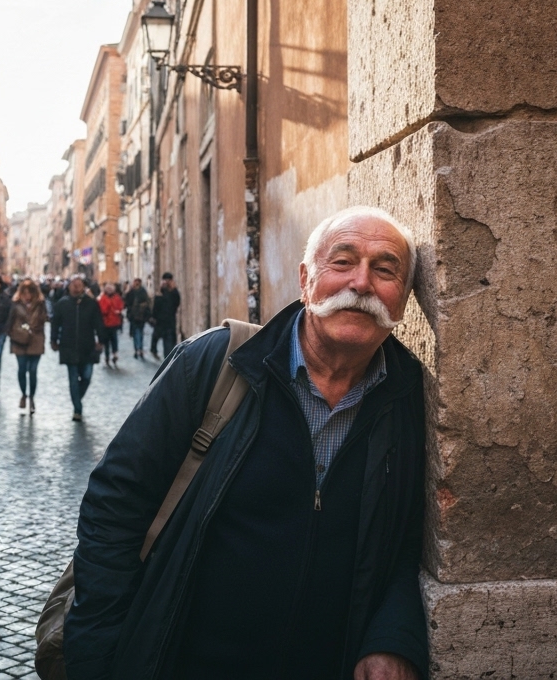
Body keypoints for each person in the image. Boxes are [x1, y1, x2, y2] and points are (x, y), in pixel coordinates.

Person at [62, 206, 427, 679]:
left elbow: (404, 543)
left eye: (385, 269)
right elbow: (114, 508)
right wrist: (97, 658)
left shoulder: (408, 399)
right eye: (342, 262)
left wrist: (391, 638)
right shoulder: (214, 364)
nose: (361, 283)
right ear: (306, 278)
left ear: (403, 301)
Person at [50, 275, 100, 422]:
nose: (77, 287)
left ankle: (77, 397)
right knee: (72, 378)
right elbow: (55, 323)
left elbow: (98, 322)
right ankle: (77, 409)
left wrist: (101, 339)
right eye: (74, 284)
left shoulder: (91, 303)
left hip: (87, 346)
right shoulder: (62, 304)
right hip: (68, 346)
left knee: (87, 376)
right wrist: (54, 340)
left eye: (79, 285)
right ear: (69, 286)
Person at [8, 278, 48, 414]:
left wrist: (34, 325)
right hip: (19, 341)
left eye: (29, 293)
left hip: (35, 340)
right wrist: (14, 333)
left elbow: (45, 319)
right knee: (21, 369)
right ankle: (23, 394)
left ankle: (32, 397)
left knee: (33, 371)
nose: (27, 296)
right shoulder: (15, 304)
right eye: (24, 293)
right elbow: (10, 321)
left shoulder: (40, 304)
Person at [148, 272, 181, 359]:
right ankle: (154, 349)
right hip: (161, 323)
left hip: (169, 323)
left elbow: (176, 303)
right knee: (157, 337)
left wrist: (174, 289)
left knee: (168, 345)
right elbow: (156, 307)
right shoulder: (161, 295)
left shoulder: (173, 294)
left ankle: (168, 361)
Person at [98, 282, 124, 367]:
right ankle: (107, 356)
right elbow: (102, 309)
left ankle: (115, 354)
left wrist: (119, 311)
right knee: (106, 341)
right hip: (105, 323)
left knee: (114, 339)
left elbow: (121, 306)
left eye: (111, 289)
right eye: (108, 289)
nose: (109, 290)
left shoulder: (117, 297)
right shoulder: (103, 298)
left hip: (114, 322)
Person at [124, 277, 151, 359]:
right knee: (136, 333)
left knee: (139, 333)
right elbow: (126, 302)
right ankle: (137, 349)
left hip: (141, 316)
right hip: (133, 316)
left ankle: (140, 349)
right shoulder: (131, 292)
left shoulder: (143, 292)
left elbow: (147, 303)